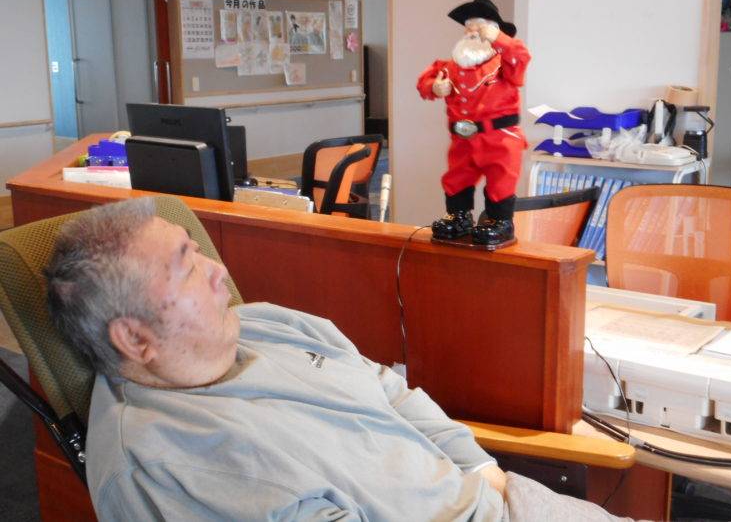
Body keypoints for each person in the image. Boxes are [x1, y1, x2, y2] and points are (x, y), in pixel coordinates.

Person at [45, 198, 629, 521]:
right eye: (187, 268)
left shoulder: (263, 323)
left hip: (504, 500)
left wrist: (484, 474)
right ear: (135, 339)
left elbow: (389, 389)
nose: (219, 272)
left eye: (200, 253)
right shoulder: (166, 464)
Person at [417, 0, 531, 247]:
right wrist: (434, 87)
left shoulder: (504, 63)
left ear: (493, 30)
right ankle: (458, 217)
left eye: (479, 27)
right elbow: (425, 80)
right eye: (468, 27)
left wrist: (499, 39)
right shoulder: (451, 66)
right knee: (457, 177)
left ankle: (500, 221)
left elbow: (521, 56)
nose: (472, 32)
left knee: (501, 180)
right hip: (463, 139)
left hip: (499, 139)